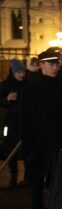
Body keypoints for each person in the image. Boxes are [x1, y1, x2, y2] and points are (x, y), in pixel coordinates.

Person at [19, 49, 62, 209]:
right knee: (37, 185)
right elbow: (24, 120)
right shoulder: (30, 89)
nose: (54, 68)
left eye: (56, 65)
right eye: (51, 64)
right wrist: (27, 148)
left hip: (59, 145)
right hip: (37, 146)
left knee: (59, 184)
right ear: (41, 65)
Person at [0, 59, 27, 189]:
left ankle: (27, 179)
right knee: (10, 148)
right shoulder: (5, 85)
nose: (21, 75)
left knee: (27, 150)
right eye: (18, 72)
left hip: (25, 123)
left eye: (23, 72)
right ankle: (13, 178)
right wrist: (7, 99)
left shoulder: (28, 85)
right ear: (12, 72)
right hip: (9, 124)